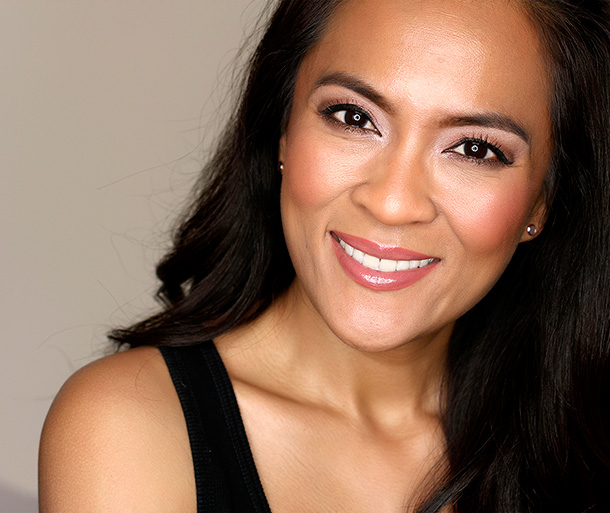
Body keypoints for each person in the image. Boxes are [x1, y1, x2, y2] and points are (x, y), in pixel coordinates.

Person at [38, 0, 610, 511]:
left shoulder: (583, 450)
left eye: (475, 149)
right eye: (354, 118)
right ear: (282, 130)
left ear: (543, 201)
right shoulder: (129, 423)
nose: (392, 203)